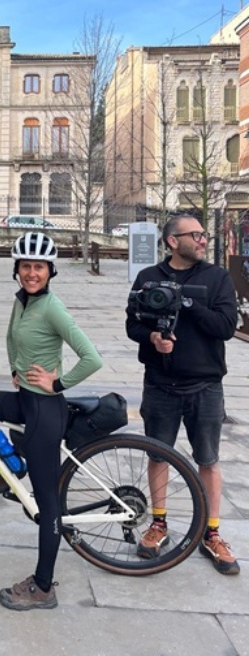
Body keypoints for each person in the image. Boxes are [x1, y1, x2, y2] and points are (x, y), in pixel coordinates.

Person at [0, 231, 103, 611]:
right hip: (26, 399)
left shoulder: (51, 308)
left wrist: (58, 381)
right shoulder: (22, 301)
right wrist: (16, 368)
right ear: (18, 270)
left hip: (45, 411)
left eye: (38, 267)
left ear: (49, 271)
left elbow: (92, 357)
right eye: (26, 266)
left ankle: (43, 587)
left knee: (47, 507)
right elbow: (13, 339)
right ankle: (12, 464)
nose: (31, 273)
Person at [126, 214, 240, 575]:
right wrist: (152, 338)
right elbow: (133, 323)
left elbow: (225, 327)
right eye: (196, 235)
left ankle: (212, 532)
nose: (204, 240)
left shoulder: (217, 278)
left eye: (204, 234)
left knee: (208, 459)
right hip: (160, 384)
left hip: (205, 386)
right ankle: (159, 524)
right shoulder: (148, 278)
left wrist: (185, 303)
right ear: (173, 241)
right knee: (159, 455)